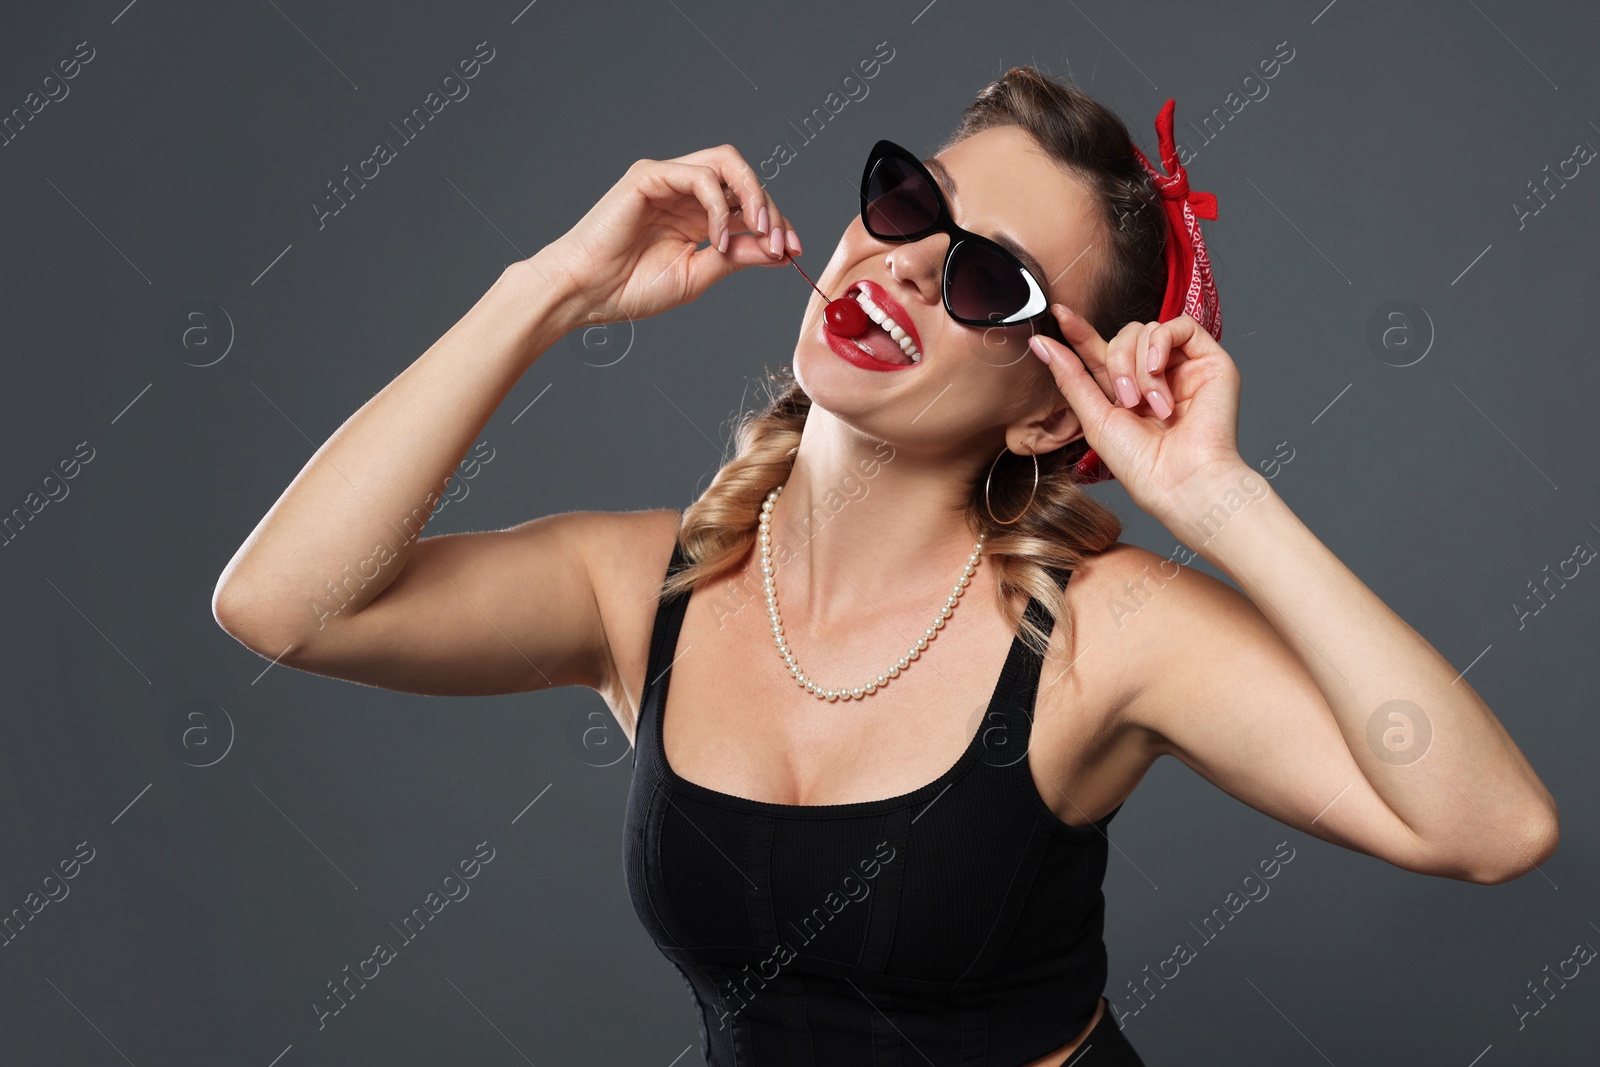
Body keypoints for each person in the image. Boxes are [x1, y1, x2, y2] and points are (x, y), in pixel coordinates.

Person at [213, 67, 1559, 1066]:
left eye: (991, 282)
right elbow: (283, 605)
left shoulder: (1103, 633)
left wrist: (1221, 500)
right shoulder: (645, 592)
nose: (910, 263)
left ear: (1048, 412)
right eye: (912, 202)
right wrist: (550, 290)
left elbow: (1491, 828)